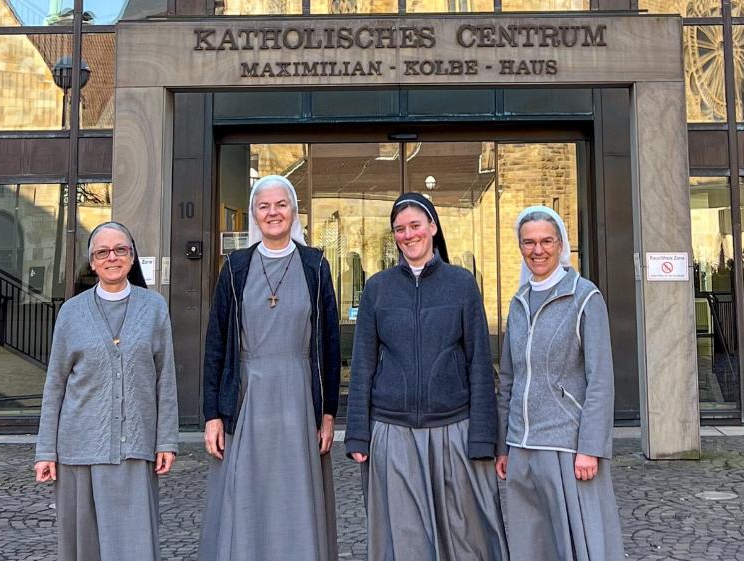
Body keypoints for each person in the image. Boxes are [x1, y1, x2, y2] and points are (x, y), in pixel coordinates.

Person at [345, 192, 507, 561]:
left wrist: (484, 436)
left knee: (465, 536)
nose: (408, 234)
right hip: (392, 431)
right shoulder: (377, 289)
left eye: (415, 225)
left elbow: (479, 363)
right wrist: (357, 432)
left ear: (433, 227)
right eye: (399, 229)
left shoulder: (461, 284)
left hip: (454, 428)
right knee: (404, 540)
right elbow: (363, 365)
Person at [199, 175, 342, 561]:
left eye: (281, 204)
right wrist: (212, 414)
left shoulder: (316, 265)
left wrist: (328, 414)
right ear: (254, 214)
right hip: (247, 395)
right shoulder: (236, 268)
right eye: (264, 206)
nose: (273, 212)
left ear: (294, 211)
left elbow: (328, 344)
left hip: (298, 397)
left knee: (295, 490)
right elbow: (216, 345)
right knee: (247, 489)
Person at [33, 221, 179, 561]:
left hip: (135, 446)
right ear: (92, 262)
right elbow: (55, 384)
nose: (111, 257)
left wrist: (166, 441)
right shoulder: (71, 313)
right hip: (78, 449)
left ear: (132, 257)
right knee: (83, 547)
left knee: (135, 545)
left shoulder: (154, 307)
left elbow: (165, 379)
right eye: (102, 252)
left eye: (120, 250)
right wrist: (45, 451)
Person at [495, 206, 624, 561]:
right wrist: (503, 445)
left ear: (561, 244)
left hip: (568, 447)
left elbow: (601, 380)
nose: (538, 250)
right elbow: (508, 378)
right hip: (522, 444)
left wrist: (591, 448)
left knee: (578, 544)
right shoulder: (518, 302)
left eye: (546, 241)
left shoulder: (585, 298)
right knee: (531, 544)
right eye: (529, 242)